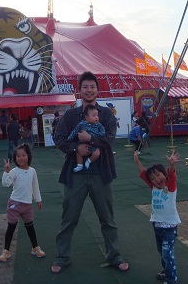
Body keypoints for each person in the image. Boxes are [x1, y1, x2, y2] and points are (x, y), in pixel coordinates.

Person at [51, 71, 129, 274]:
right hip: (75, 175)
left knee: (107, 218)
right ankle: (62, 256)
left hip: (101, 174)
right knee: (69, 218)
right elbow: (59, 138)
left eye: (92, 87)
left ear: (97, 90)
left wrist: (90, 140)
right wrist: (77, 148)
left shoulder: (106, 114)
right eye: (85, 87)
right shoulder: (71, 116)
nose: (89, 90)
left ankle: (114, 255)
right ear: (79, 90)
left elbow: (109, 139)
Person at [133, 149, 181, 284]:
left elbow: (172, 175)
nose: (156, 179)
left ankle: (171, 279)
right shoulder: (154, 187)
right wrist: (137, 161)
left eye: (158, 175)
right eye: (153, 179)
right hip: (157, 227)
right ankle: (167, 270)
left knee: (167, 253)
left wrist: (172, 164)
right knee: (162, 252)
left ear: (164, 174)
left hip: (170, 228)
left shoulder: (170, 187)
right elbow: (144, 174)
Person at [0, 143, 46, 262]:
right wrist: (6, 172)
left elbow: (35, 186)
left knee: (30, 226)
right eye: (18, 156)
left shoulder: (32, 171)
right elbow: (5, 184)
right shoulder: (14, 171)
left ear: (28, 156)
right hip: (14, 203)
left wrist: (38, 200)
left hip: (27, 205)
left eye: (23, 155)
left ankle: (35, 248)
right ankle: (6, 251)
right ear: (15, 158)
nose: (21, 158)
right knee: (11, 227)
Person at [66, 104, 104, 172]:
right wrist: (70, 138)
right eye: (94, 116)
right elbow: (75, 131)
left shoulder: (98, 124)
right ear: (86, 117)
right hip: (83, 143)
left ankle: (89, 161)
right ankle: (79, 165)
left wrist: (100, 134)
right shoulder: (82, 124)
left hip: (95, 144)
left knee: (97, 153)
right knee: (78, 152)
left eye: (97, 116)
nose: (96, 117)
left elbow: (102, 130)